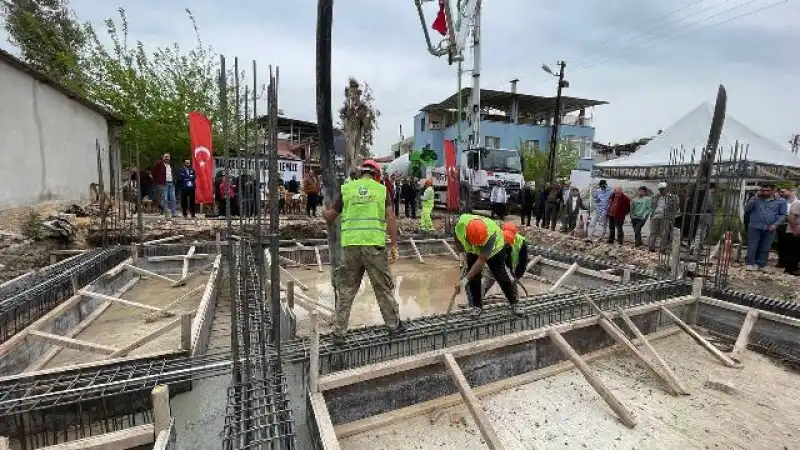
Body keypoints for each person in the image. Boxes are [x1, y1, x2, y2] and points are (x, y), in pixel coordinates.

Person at [323, 159, 403, 345]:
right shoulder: (381, 190)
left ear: (360, 173)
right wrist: (394, 245)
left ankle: (339, 333)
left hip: (350, 248)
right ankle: (394, 326)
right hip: (374, 247)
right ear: (376, 175)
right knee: (383, 288)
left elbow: (330, 216)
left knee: (347, 290)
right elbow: (390, 217)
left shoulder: (347, 190)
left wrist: (324, 211)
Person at [451, 214, 521, 316]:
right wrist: (461, 254)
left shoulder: (491, 234)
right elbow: (456, 238)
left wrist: (464, 281)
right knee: (474, 277)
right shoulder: (459, 224)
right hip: (472, 250)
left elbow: (481, 261)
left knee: (501, 275)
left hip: (495, 250)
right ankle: (477, 306)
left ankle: (514, 303)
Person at [744, 184, 787, 270]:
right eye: (763, 190)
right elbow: (747, 209)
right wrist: (754, 198)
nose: (765, 192)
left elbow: (783, 215)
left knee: (765, 247)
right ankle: (750, 263)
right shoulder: (756, 199)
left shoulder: (781, 201)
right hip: (755, 226)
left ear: (773, 191)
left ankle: (760, 264)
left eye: (767, 190)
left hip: (770, 227)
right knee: (752, 246)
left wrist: (775, 224)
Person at [648, 182, 675, 252]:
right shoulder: (655, 196)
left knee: (664, 233)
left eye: (663, 189)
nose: (661, 191)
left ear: (666, 189)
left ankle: (662, 249)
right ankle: (651, 247)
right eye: (660, 189)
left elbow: (675, 207)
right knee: (653, 232)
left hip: (665, 217)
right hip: (655, 216)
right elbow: (652, 205)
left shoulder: (671, 197)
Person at [776, 188, 798, 268]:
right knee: (781, 243)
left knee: (791, 245)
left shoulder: (796, 202)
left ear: (792, 191)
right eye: (780, 192)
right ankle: (781, 261)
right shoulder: (780, 201)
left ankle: (790, 262)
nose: (782, 193)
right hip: (782, 225)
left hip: (792, 225)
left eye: (783, 191)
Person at [152, 153, 177, 219]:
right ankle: (166, 213)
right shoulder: (159, 164)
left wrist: (175, 180)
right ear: (163, 157)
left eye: (168, 157)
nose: (167, 158)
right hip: (163, 183)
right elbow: (153, 173)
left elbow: (174, 173)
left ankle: (173, 213)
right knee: (164, 198)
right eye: (165, 157)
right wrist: (158, 181)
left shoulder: (171, 165)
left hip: (171, 183)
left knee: (173, 198)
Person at [785, 193, 800, 276]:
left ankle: (793, 267)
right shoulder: (798, 203)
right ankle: (791, 268)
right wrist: (795, 229)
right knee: (794, 251)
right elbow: (791, 217)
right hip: (794, 231)